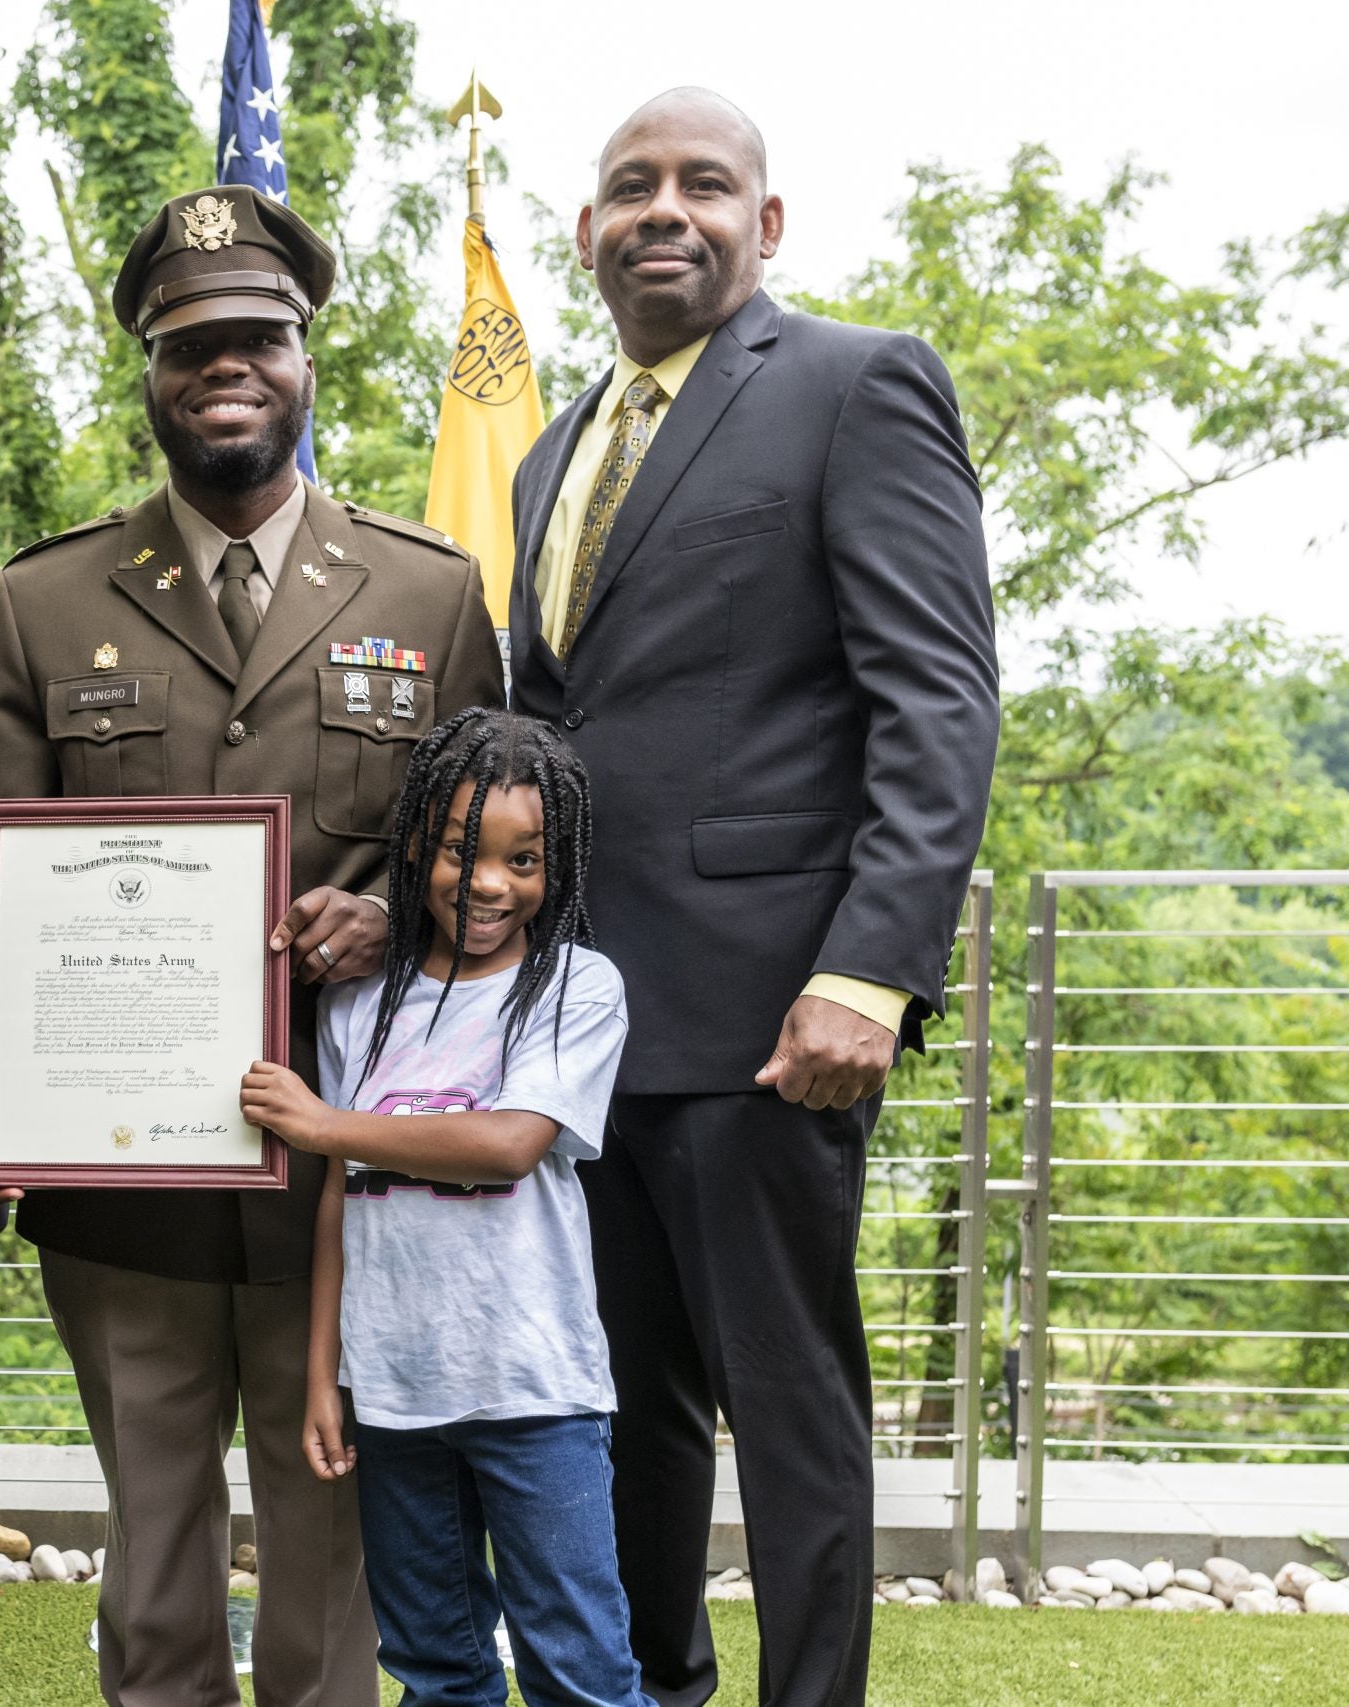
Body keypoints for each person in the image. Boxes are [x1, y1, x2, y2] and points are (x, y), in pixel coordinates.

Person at [0, 184, 507, 1707]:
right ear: (151, 377)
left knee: (332, 1533)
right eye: (192, 348)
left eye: (257, 338)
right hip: (122, 1164)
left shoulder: (429, 591)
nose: (225, 369)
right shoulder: (47, 599)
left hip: (355, 1150)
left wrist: (394, 905)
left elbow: (496, 852)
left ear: (307, 357)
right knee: (156, 1536)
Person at [503, 90, 1000, 1707]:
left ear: (764, 224)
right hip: (581, 1022)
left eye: (703, 184)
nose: (665, 210)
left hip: (775, 1014)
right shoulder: (554, 452)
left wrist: (869, 967)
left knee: (790, 1412)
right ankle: (659, 1687)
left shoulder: (858, 387)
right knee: (621, 1410)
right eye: (630, 186)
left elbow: (939, 698)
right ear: (586, 234)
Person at [241, 708, 644, 1707]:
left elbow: (510, 1144)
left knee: (580, 1670)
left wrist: (325, 1125)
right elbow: (342, 1198)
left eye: (524, 859)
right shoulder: (356, 1008)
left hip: (532, 1390)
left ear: (558, 868)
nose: (491, 882)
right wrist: (325, 1374)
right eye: (462, 850)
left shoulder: (576, 989)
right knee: (434, 1665)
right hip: (396, 1393)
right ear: (417, 841)